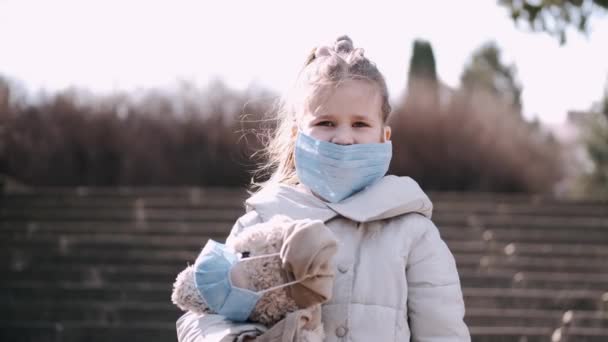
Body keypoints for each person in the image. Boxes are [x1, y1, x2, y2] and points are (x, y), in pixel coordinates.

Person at [176, 35, 471, 342]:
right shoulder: (261, 223)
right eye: (326, 123)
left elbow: (443, 333)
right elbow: (203, 315)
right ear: (296, 134)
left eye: (360, 124)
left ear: (385, 136)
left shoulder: (413, 232)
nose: (343, 138)